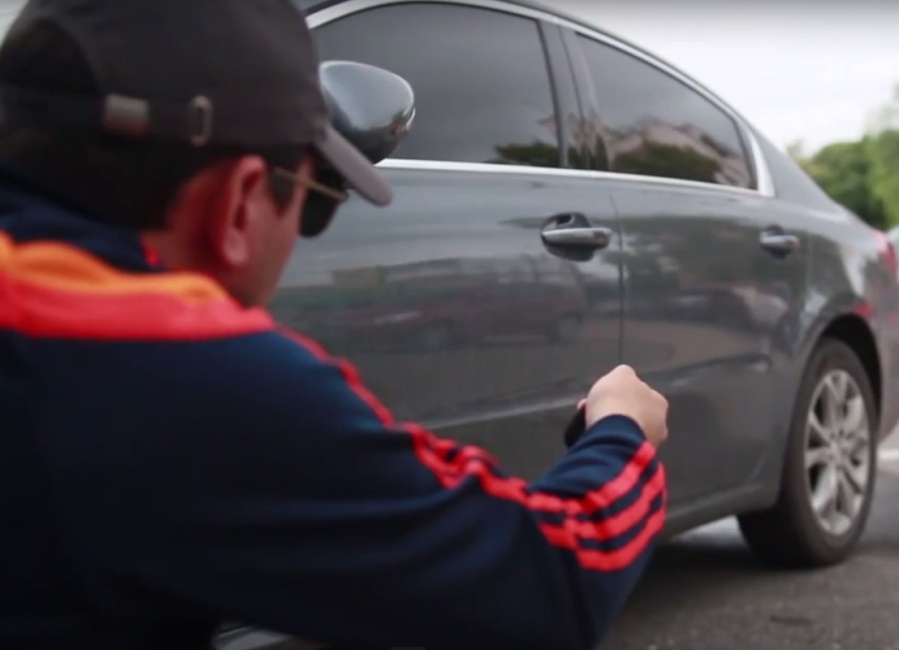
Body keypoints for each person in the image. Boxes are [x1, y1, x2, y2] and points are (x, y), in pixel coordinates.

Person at [0, 1, 670, 649]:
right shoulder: (163, 372)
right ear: (237, 204)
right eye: (316, 203)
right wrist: (621, 430)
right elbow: (549, 580)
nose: (304, 228)